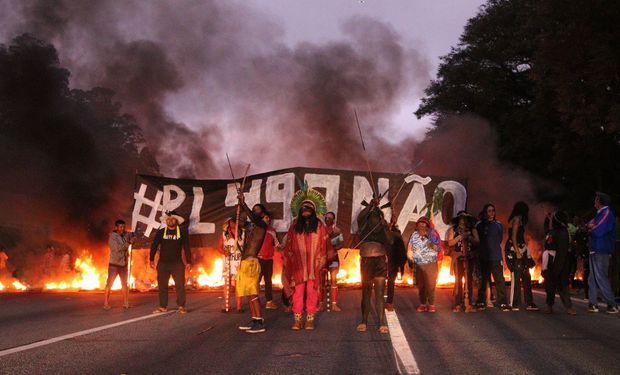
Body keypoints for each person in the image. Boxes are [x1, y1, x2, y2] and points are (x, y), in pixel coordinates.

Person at [284, 187, 331, 330]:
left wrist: (322, 260)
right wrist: (289, 262)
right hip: (298, 267)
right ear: (300, 210)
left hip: (314, 266)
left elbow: (325, 244)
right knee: (298, 293)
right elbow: (289, 247)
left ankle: (310, 319)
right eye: (303, 208)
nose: (306, 210)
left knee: (312, 293)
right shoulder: (294, 227)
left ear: (313, 211)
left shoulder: (320, 226)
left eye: (309, 208)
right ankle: (297, 320)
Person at [356, 197, 392, 333]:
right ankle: (364, 321)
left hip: (380, 261)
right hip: (366, 260)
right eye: (372, 216)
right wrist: (370, 205)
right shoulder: (363, 225)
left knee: (379, 292)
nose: (374, 219)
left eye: (377, 216)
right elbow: (361, 216)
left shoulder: (383, 226)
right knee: (366, 291)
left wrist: (385, 226)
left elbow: (390, 241)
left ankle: (382, 323)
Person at [236, 194, 269, 333]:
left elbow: (252, 217)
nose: (255, 211)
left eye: (258, 210)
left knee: (253, 293)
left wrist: (244, 204)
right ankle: (255, 319)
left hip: (251, 263)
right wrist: (239, 208)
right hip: (245, 263)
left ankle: (259, 321)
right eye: (253, 209)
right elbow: (242, 222)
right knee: (249, 294)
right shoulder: (252, 227)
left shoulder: (262, 225)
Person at [149, 211, 192, 314]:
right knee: (162, 286)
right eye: (168, 219)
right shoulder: (161, 232)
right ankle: (162, 306)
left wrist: (189, 261)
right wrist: (151, 259)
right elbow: (154, 246)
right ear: (166, 221)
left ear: (176, 221)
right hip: (163, 264)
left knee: (180, 285)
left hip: (177, 264)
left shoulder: (182, 232)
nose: (170, 221)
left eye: (172, 219)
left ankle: (181, 306)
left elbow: (186, 247)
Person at [586, 192, 618, 314]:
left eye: (596, 199)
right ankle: (593, 303)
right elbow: (588, 225)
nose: (594, 201)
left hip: (601, 249)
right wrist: (589, 227)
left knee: (600, 277)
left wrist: (590, 228)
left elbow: (596, 230)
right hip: (596, 249)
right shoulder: (601, 214)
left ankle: (612, 304)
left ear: (600, 201)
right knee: (592, 278)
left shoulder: (606, 213)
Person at [475, 203, 510, 311]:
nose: (491, 213)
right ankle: (481, 301)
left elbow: (499, 239)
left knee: (499, 280)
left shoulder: (498, 225)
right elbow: (477, 239)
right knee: (483, 280)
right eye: (489, 211)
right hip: (484, 256)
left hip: (496, 256)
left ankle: (503, 302)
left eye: (493, 211)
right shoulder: (480, 225)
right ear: (485, 212)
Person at [505, 202, 538, 311]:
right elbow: (514, 237)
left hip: (520, 249)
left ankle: (529, 302)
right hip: (515, 250)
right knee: (517, 274)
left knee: (526, 275)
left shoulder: (517, 219)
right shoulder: (517, 220)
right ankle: (514, 302)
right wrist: (518, 252)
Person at [542, 211, 576, 315]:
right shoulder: (554, 231)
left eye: (554, 218)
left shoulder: (563, 232)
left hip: (560, 261)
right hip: (550, 261)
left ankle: (568, 307)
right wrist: (547, 219)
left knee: (562, 285)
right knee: (549, 285)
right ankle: (549, 306)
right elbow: (546, 230)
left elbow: (562, 252)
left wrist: (557, 269)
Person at [446, 211, 479, 312]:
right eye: (461, 218)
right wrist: (460, 236)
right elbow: (450, 242)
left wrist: (469, 237)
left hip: (469, 257)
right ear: (458, 219)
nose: (463, 220)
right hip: (458, 258)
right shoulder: (453, 229)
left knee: (469, 280)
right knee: (458, 280)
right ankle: (458, 303)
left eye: (465, 218)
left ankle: (468, 302)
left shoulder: (472, 229)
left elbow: (477, 241)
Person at [408, 217, 440, 313]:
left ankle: (431, 304)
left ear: (427, 226)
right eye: (420, 224)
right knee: (421, 285)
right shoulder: (414, 235)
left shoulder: (432, 234)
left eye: (424, 224)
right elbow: (410, 248)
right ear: (417, 226)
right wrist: (410, 258)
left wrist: (429, 239)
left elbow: (438, 248)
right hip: (418, 264)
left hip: (431, 263)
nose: (422, 226)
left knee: (430, 284)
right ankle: (422, 303)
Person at [103, 219, 134, 310]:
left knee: (125, 284)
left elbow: (132, 235)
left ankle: (126, 303)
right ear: (116, 227)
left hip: (124, 264)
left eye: (123, 227)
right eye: (120, 227)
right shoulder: (112, 237)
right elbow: (117, 248)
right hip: (114, 264)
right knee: (109, 284)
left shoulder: (125, 235)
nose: (122, 228)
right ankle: (105, 303)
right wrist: (129, 242)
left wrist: (134, 237)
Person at [218, 218, 243, 312]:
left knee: (238, 284)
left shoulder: (243, 234)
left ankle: (239, 306)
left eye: (235, 222)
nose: (234, 223)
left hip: (238, 263)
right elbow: (219, 248)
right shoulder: (224, 235)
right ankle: (225, 305)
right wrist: (224, 252)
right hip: (227, 262)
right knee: (226, 284)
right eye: (232, 222)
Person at [322, 211, 344, 312]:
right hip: (322, 259)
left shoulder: (337, 230)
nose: (327, 219)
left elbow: (341, 243)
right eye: (326, 217)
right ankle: (321, 304)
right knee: (322, 281)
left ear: (333, 219)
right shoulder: (320, 230)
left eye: (330, 218)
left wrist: (334, 249)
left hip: (334, 259)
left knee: (334, 280)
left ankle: (334, 304)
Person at [258, 213, 279, 310]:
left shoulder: (272, 231)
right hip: (258, 259)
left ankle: (269, 302)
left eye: (269, 217)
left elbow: (276, 244)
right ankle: (255, 301)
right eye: (266, 217)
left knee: (268, 281)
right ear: (261, 219)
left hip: (269, 259)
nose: (268, 219)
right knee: (256, 281)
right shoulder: (256, 229)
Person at [386, 218, 407, 312]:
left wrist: (400, 265)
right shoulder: (380, 234)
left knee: (390, 282)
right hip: (384, 262)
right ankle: (388, 303)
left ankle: (389, 302)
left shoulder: (397, 235)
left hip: (392, 262)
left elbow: (401, 251)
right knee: (388, 282)